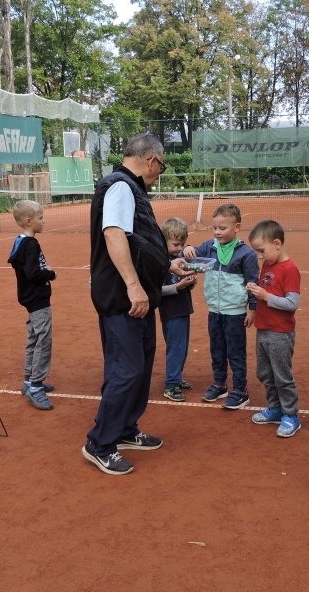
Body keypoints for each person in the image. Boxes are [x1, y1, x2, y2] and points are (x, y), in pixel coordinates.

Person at [85, 132, 185, 476]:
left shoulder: (133, 189)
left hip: (138, 298)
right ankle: (100, 443)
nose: (161, 172)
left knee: (140, 367)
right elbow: (113, 235)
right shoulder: (120, 186)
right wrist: (132, 286)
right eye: (162, 165)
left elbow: (136, 241)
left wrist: (165, 264)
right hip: (123, 299)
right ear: (152, 160)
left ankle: (126, 429)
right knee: (125, 370)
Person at [183, 203, 259, 409]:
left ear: (237, 227)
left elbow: (253, 284)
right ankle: (219, 384)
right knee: (217, 349)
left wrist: (252, 310)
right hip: (214, 311)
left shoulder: (246, 254)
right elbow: (190, 253)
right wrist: (188, 248)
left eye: (223, 228)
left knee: (235, 351)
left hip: (234, 312)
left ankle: (240, 390)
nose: (217, 232)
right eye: (215, 227)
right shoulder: (209, 247)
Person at [246, 220, 302, 437]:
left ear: (277, 243)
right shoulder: (268, 264)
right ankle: (275, 408)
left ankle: (291, 415)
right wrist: (255, 291)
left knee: (282, 376)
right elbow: (265, 290)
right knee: (265, 372)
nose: (260, 257)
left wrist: (266, 296)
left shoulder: (290, 269)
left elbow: (292, 304)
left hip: (280, 333)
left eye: (262, 251)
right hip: (263, 329)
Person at [7, 199, 57, 411]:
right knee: (43, 340)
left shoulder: (20, 241)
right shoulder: (31, 244)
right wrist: (51, 274)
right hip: (37, 299)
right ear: (29, 221)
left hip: (30, 298)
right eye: (40, 218)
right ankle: (35, 386)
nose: (43, 222)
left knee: (34, 337)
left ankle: (29, 379)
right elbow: (33, 273)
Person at [159, 217, 197, 401]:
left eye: (182, 244)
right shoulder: (161, 264)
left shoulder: (179, 259)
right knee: (175, 347)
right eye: (175, 244)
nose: (179, 248)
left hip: (183, 309)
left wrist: (189, 283)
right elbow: (157, 291)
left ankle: (177, 377)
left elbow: (184, 284)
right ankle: (171, 385)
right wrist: (179, 286)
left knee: (182, 347)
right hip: (171, 312)